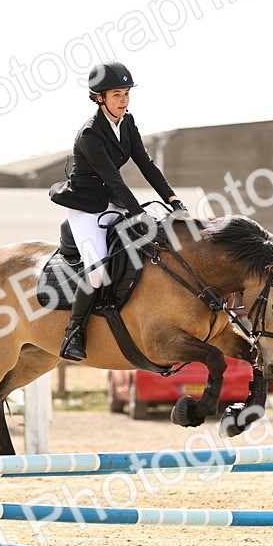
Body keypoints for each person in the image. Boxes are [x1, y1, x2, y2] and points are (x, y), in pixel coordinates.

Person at [48, 61, 187, 361]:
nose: (123, 100)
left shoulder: (128, 123)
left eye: (126, 93)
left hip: (113, 202)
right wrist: (139, 215)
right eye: (116, 94)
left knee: (152, 248)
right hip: (85, 208)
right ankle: (73, 333)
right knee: (97, 274)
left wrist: (174, 200)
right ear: (99, 97)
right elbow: (115, 178)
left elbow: (147, 166)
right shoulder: (90, 135)